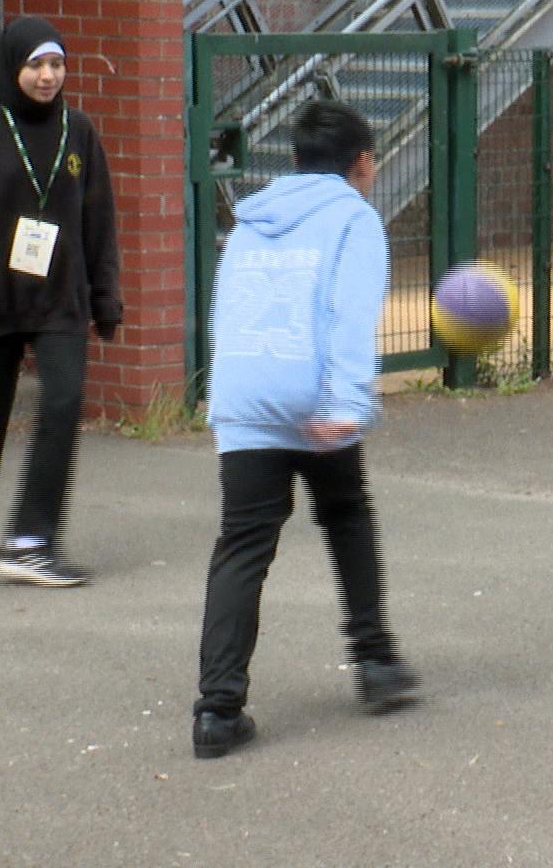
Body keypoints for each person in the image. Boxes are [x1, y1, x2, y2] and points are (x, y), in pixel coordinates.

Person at [192, 100, 420, 760]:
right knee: (346, 513)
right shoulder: (354, 217)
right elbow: (348, 314)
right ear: (364, 165)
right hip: (313, 392)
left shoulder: (249, 219)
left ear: (293, 162)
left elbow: (228, 308)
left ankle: (217, 710)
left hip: (244, 392)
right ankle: (375, 662)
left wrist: (230, 394)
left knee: (242, 547)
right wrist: (348, 400)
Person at [0, 15, 122, 586]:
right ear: (13, 68)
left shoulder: (78, 130)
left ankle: (33, 537)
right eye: (36, 64)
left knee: (63, 402)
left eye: (57, 64)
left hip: (61, 294)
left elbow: (98, 220)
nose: (47, 76)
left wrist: (106, 298)